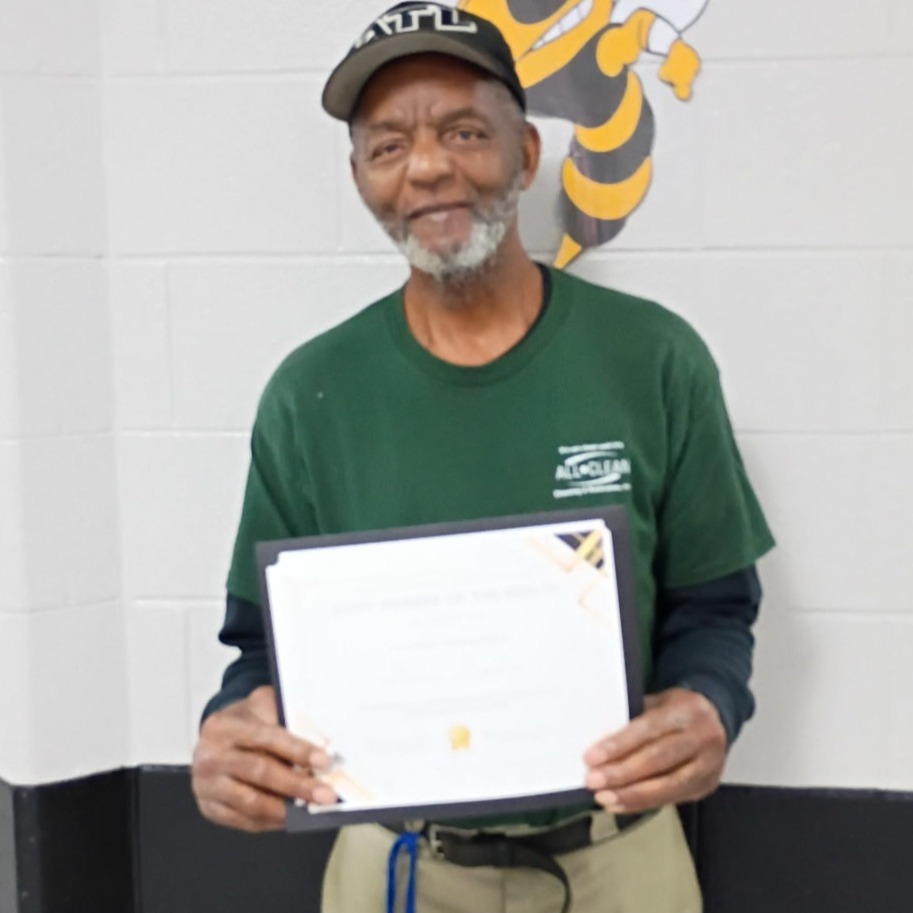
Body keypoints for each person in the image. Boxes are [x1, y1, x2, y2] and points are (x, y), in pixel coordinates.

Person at [191, 3, 774, 911]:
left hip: (621, 859)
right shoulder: (311, 394)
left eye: (463, 130)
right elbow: (260, 644)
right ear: (359, 178)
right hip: (394, 867)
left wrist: (709, 701)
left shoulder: (654, 358)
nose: (427, 167)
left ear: (527, 152)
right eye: (387, 146)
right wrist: (233, 731)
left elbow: (715, 604)